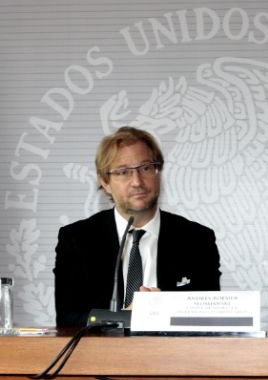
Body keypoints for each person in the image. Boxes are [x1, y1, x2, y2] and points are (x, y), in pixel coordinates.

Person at [54, 126, 221, 326]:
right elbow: (68, 319)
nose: (137, 181)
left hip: (173, 355)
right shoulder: (77, 239)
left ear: (158, 172)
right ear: (105, 182)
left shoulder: (197, 240)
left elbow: (210, 319)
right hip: (103, 356)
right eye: (123, 172)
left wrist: (163, 311)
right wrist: (126, 318)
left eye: (146, 168)